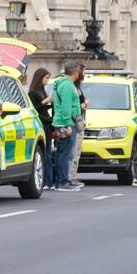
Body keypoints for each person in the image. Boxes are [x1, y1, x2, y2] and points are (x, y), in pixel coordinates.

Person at [50, 61, 82, 192]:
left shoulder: (62, 84)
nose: (80, 73)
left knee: (62, 153)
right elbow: (66, 108)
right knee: (66, 154)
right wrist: (68, 124)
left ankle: (60, 180)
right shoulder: (68, 86)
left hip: (61, 121)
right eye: (79, 71)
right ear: (75, 72)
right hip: (66, 122)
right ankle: (63, 181)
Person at [28, 67, 55, 190]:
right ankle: (45, 181)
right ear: (40, 78)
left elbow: (43, 109)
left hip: (47, 122)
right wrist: (45, 102)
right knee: (45, 154)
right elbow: (35, 109)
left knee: (48, 153)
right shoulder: (32, 92)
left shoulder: (41, 90)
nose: (47, 81)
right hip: (41, 124)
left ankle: (49, 181)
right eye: (46, 78)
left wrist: (50, 103)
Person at [69, 63, 88, 189]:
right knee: (73, 152)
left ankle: (72, 176)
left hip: (79, 121)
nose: (84, 74)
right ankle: (70, 177)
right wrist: (82, 105)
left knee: (76, 152)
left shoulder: (78, 87)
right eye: (83, 72)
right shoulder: (72, 87)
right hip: (75, 122)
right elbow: (72, 106)